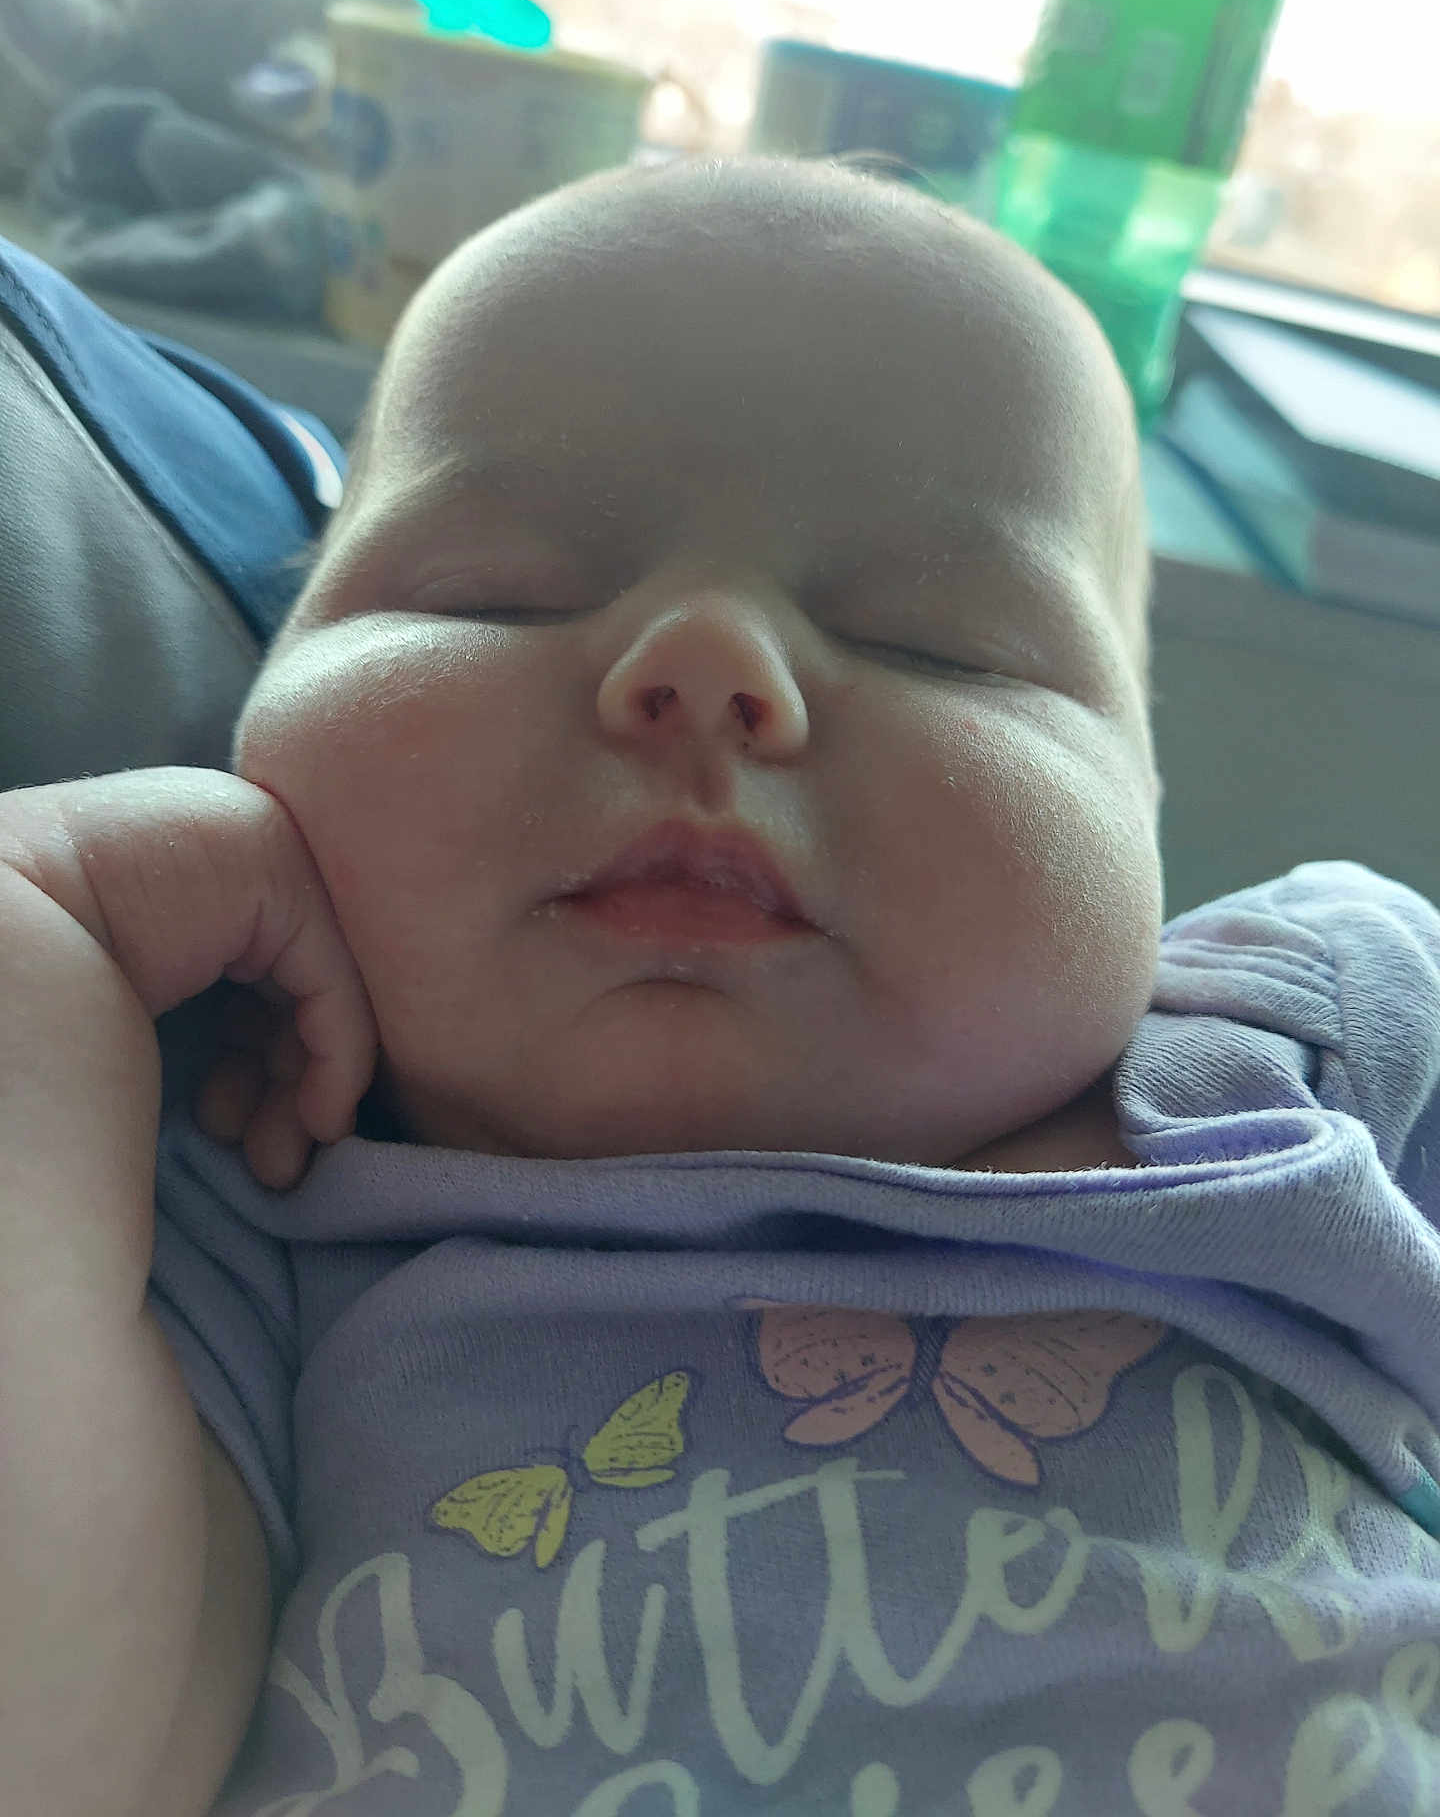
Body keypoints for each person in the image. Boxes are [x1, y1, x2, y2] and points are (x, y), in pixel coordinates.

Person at [4, 152, 1440, 1817]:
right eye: (493, 597)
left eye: (940, 643)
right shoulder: (244, 1234)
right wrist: (45, 932)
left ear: (1145, 815)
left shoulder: (1309, 1035)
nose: (703, 661)